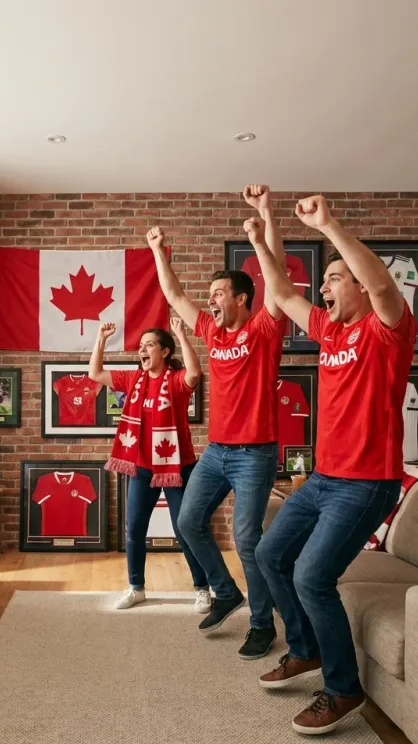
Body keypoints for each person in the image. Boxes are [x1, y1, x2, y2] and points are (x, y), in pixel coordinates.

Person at [245, 188, 415, 735]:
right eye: (323, 281)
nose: (323, 288)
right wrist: (264, 227)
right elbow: (280, 291)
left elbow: (383, 285)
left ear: (360, 286)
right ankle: (306, 649)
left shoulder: (387, 329)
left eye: (335, 279)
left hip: (366, 484)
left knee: (313, 576)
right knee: (269, 553)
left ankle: (343, 689)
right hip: (322, 479)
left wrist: (328, 225)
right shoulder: (329, 330)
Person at [147, 204, 288, 660]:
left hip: (254, 454)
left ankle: (262, 624)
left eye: (219, 293)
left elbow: (279, 281)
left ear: (242, 299)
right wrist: (158, 252)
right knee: (188, 521)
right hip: (217, 451)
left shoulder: (265, 329)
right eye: (209, 294)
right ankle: (226, 592)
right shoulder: (212, 331)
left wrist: (262, 225)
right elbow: (173, 293)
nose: (209, 300)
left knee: (246, 538)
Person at [90, 318, 210, 611]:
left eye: (149, 345)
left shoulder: (176, 381)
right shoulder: (134, 379)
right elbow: (95, 373)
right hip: (142, 467)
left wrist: (181, 334)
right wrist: (101, 339)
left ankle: (202, 588)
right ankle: (136, 587)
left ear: (165, 351)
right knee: (134, 529)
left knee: (185, 529)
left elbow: (195, 373)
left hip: (177, 467)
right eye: (141, 346)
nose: (142, 350)